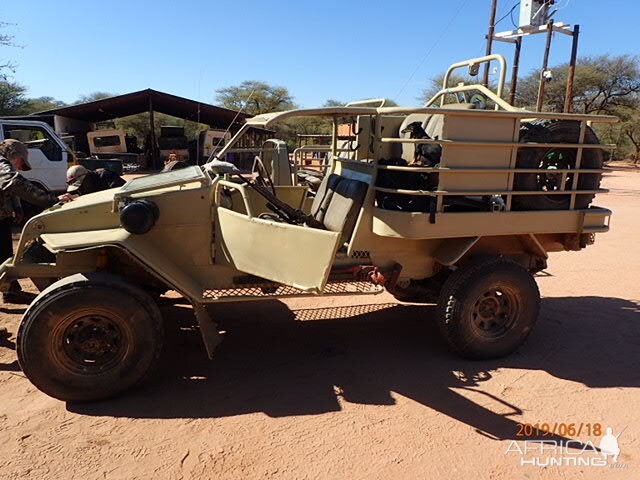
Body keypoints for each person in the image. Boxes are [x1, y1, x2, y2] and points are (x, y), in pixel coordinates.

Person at [0, 139, 60, 309]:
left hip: (2, 218)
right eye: (21, 162)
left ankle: (10, 290)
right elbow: (13, 182)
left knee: (4, 254)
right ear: (15, 155)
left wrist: (17, 207)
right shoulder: (1, 163)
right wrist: (50, 201)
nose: (20, 167)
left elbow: (8, 188)